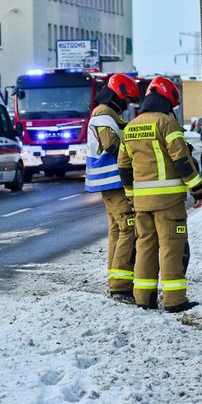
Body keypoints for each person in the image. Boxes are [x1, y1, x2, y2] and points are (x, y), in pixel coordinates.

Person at [117, 76, 202, 313]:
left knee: (145, 247)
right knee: (171, 248)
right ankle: (174, 301)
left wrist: (131, 197)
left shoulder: (130, 127)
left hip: (142, 204)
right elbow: (182, 160)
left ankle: (143, 298)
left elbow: (124, 168)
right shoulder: (166, 124)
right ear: (167, 101)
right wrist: (197, 188)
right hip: (169, 203)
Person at [85, 73, 141, 303]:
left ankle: (115, 279)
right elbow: (111, 144)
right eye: (126, 101)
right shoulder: (103, 115)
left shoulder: (107, 115)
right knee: (128, 228)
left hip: (109, 181)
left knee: (117, 230)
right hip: (112, 179)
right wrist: (134, 155)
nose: (126, 106)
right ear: (118, 96)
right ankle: (120, 287)